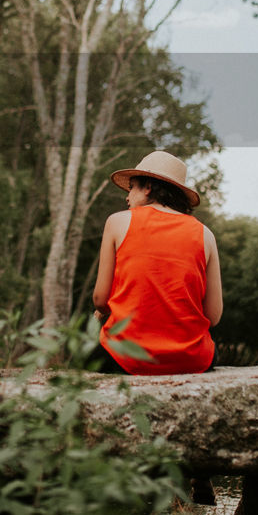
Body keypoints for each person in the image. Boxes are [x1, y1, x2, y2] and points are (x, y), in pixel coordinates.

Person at [91, 150, 222, 375]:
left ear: (148, 187)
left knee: (86, 354)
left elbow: (100, 299)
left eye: (132, 187)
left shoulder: (117, 222)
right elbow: (213, 315)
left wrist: (104, 312)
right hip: (191, 359)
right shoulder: (205, 234)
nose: (127, 196)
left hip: (125, 357)